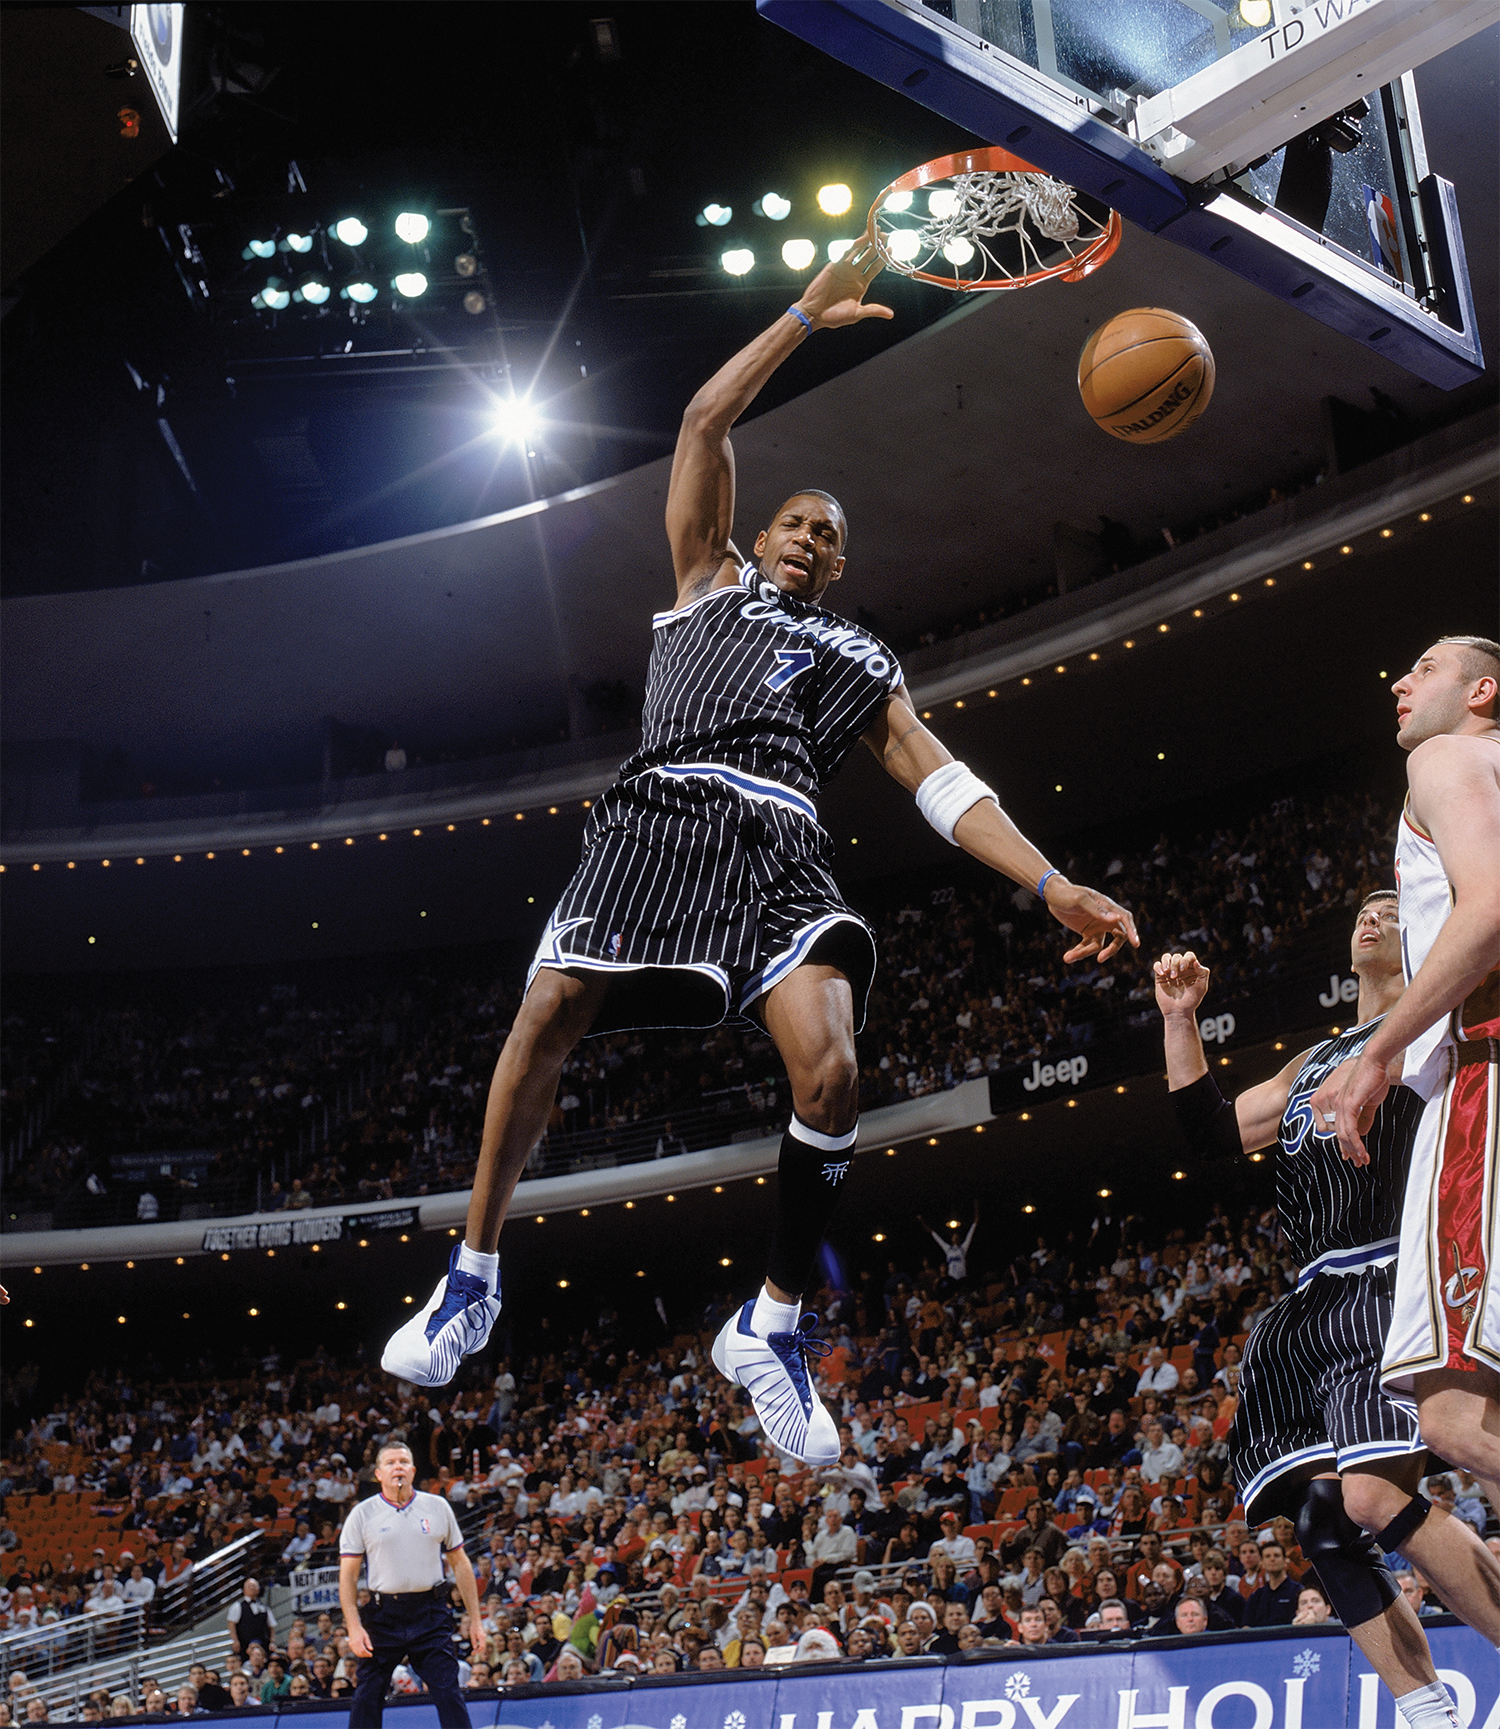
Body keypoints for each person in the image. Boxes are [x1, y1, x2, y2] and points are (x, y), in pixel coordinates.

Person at [379, 247, 1137, 1463]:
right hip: (661, 816)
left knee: (832, 1074)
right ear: (757, 533)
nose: (807, 539)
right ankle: (474, 1275)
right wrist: (802, 316)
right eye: (794, 520)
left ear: (839, 569)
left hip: (781, 843)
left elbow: (942, 784)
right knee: (552, 1005)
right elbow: (700, 417)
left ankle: (771, 1325)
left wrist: (1050, 882)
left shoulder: (860, 661)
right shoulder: (701, 580)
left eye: (828, 537)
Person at [1159, 893, 1500, 1726]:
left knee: (1376, 1499)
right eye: (1364, 910)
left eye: (1393, 904)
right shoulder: (1311, 1061)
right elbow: (1210, 1136)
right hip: (1311, 1297)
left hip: (1395, 1275)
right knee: (1321, 1517)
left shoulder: (1440, 1016)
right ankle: (1427, 1710)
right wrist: (1179, 1018)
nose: (1373, 916)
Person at [1314, 637, 1500, 1514]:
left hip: (1484, 1074)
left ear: (1480, 690)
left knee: (1455, 1415)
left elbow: (1489, 909)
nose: (1399, 679)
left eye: (1425, 668)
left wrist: (1376, 1051)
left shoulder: (1448, 754)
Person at [338, 1440, 480, 1729]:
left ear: (413, 1470)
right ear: (378, 1473)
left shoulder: (437, 1506)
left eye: (403, 1462)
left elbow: (461, 1564)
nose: (397, 1467)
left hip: (430, 1611)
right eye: (390, 1463)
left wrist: (476, 1620)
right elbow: (348, 1576)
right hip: (382, 1615)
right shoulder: (362, 1514)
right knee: (366, 1696)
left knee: (448, 1691)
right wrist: (353, 1627)